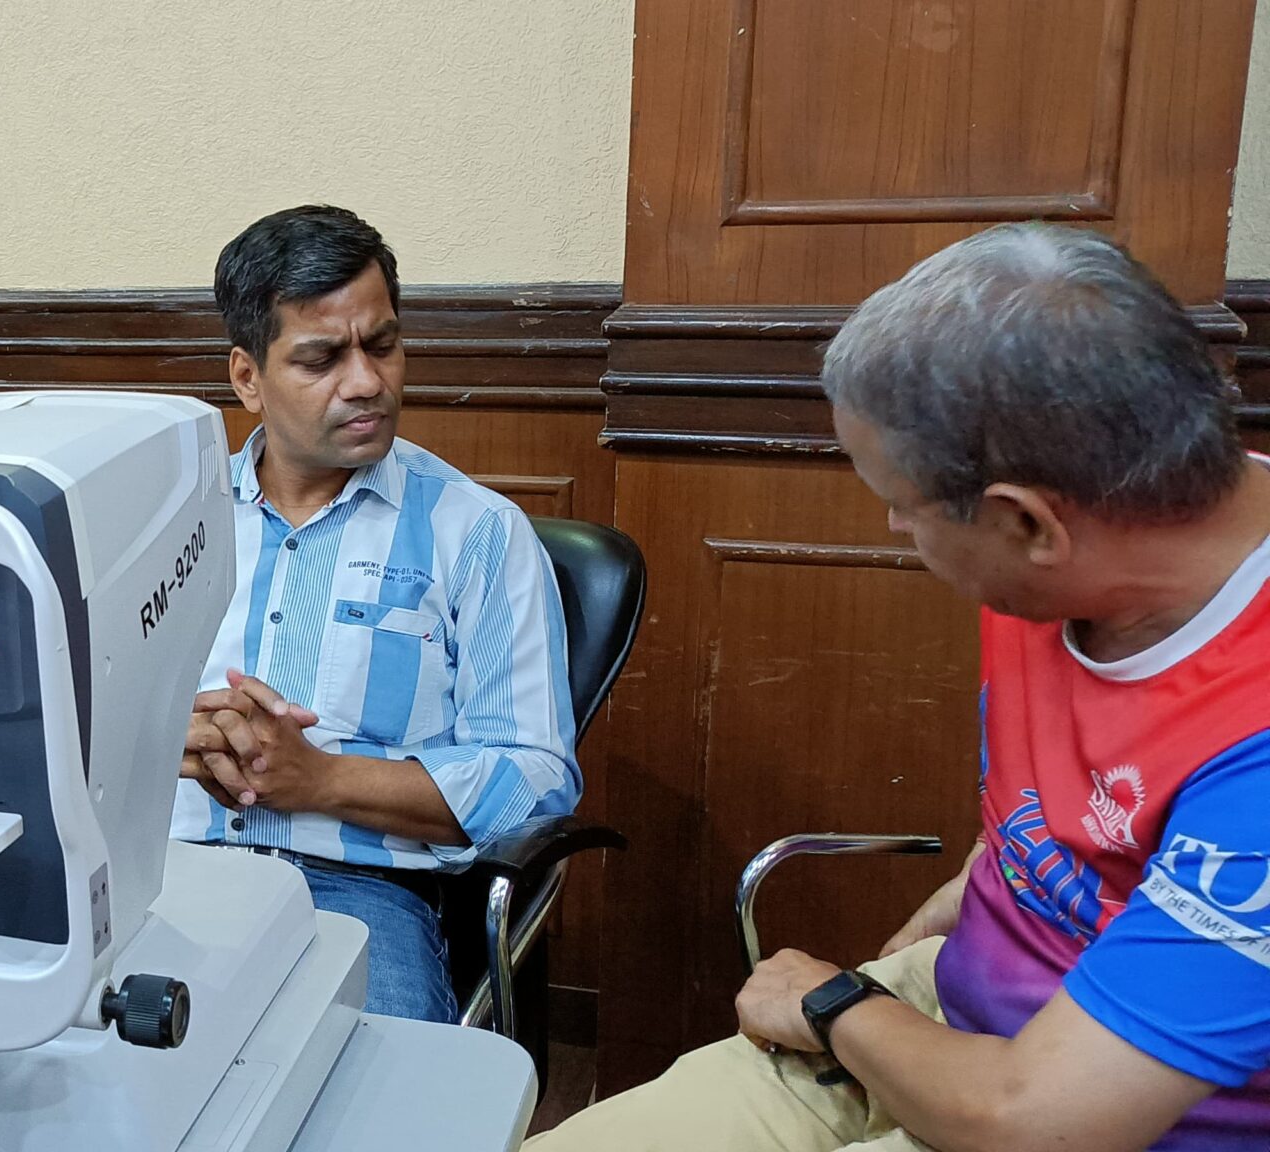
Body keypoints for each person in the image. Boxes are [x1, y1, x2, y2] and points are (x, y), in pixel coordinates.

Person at [529, 225, 1270, 1152]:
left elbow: (1033, 1119)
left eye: (904, 505)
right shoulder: (1086, 543)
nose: (890, 522)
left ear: (1026, 523)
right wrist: (968, 894)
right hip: (949, 1010)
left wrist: (836, 1003)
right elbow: (1071, 796)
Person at [177, 205, 579, 1021]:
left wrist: (321, 780)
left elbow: (538, 781)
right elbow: (72, 719)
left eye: (383, 345)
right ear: (247, 378)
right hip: (165, 867)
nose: (365, 381)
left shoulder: (476, 533)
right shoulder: (170, 523)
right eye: (322, 358)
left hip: (358, 893)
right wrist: (155, 736)